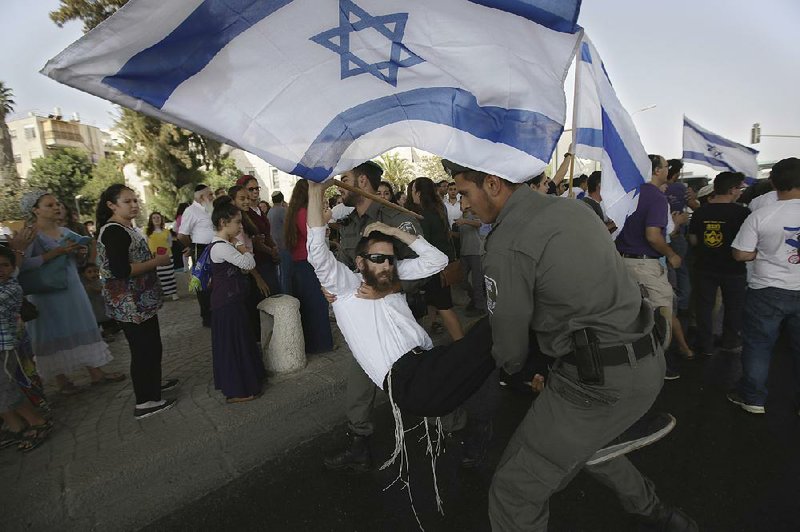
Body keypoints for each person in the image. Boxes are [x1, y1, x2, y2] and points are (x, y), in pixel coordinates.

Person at [445, 159, 695, 532]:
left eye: (465, 193)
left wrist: (516, 371)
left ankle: (655, 511)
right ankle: (656, 513)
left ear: (494, 183)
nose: (463, 204)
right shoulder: (572, 208)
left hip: (594, 383)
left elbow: (509, 343)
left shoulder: (507, 242)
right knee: (590, 447)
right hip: (645, 362)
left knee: (514, 493)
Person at [323, 161, 424, 472]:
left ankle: (457, 425)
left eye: (345, 179)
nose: (340, 186)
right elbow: (343, 261)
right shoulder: (352, 222)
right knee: (358, 381)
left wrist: (386, 288)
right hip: (362, 322)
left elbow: (423, 267)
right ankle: (360, 443)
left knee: (420, 381)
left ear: (362, 181)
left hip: (394, 320)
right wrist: (330, 287)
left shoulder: (396, 219)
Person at [19, 191, 122, 394]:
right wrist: (53, 254)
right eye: (49, 205)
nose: (56, 207)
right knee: (53, 331)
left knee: (81, 324)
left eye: (57, 204)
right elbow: (22, 265)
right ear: (35, 210)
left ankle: (96, 372)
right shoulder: (30, 235)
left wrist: (82, 255)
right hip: (46, 293)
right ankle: (62, 380)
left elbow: (83, 253)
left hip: (72, 287)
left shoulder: (65, 231)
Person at [96, 184, 178, 419]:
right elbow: (121, 269)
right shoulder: (113, 231)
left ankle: (152, 385)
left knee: (152, 346)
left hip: (140, 302)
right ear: (112, 205)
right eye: (127, 201)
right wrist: (157, 262)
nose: (134, 205)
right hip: (130, 304)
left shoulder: (125, 228)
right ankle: (145, 401)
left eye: (135, 200)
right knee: (143, 350)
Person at [728, 157, 800, 414]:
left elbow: (740, 254)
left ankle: (753, 398)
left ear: (773, 181)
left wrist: (764, 254)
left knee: (759, 346)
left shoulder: (761, 215)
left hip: (767, 290)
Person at [615, 154, 682, 380]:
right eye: (665, 166)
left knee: (632, 317)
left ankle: (632, 364)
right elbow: (653, 236)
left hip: (622, 262)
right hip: (645, 266)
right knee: (661, 316)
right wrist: (671, 254)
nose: (667, 170)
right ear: (656, 171)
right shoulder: (655, 197)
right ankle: (657, 369)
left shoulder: (629, 194)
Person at [209, 197, 266, 403]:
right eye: (237, 222)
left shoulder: (224, 244)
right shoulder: (221, 246)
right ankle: (237, 389)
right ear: (224, 223)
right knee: (234, 346)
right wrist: (243, 247)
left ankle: (247, 382)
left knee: (241, 343)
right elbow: (248, 264)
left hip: (231, 301)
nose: (241, 226)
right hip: (227, 303)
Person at [688, 172, 749, 357]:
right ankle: (730, 342)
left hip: (704, 267)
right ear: (732, 189)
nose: (740, 192)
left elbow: (693, 240)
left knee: (704, 306)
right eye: (739, 188)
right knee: (733, 307)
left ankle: (705, 344)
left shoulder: (701, 211)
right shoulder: (742, 213)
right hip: (733, 268)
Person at [0, 245, 53, 452]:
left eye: (5, 265)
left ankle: (37, 421)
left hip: (4, 348)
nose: (0, 269)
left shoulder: (12, 289)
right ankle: (15, 425)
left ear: (12, 268)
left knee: (5, 389)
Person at [410, 177, 464, 341]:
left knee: (444, 307)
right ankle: (434, 323)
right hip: (442, 263)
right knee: (436, 301)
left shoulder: (424, 215)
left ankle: (462, 342)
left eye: (413, 191)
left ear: (418, 193)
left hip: (435, 267)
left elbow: (423, 242)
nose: (411, 194)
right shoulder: (438, 209)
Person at [284, 180, 334, 354]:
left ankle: (315, 342)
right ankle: (320, 343)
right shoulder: (303, 212)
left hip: (300, 263)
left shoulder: (295, 212)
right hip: (307, 264)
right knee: (316, 304)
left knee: (310, 304)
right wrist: (326, 218)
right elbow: (312, 233)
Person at [228, 185, 271, 336]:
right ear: (232, 201)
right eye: (242, 198)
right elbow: (243, 252)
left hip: (250, 270)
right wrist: (258, 277)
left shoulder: (243, 218)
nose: (247, 201)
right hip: (245, 273)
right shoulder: (235, 223)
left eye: (247, 198)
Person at [177, 185, 215, 327]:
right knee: (203, 282)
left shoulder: (210, 209)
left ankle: (215, 312)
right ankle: (207, 316)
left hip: (214, 247)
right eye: (210, 195)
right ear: (200, 198)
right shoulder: (191, 211)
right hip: (200, 248)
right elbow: (182, 235)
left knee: (215, 281)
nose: (212, 197)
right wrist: (192, 247)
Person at [238, 175, 280, 295]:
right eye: (251, 189)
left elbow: (266, 233)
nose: (255, 191)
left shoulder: (258, 210)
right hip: (257, 262)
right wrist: (271, 251)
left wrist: (274, 248)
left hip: (268, 258)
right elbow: (253, 241)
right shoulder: (245, 213)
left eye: (257, 188)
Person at [455, 195, 486, 316]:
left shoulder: (475, 215)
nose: (461, 204)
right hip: (464, 253)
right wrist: (450, 233)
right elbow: (460, 235)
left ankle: (480, 306)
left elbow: (479, 224)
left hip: (476, 252)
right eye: (460, 203)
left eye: (462, 202)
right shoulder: (460, 218)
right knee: (463, 281)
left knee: (476, 281)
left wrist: (464, 221)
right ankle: (475, 300)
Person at [80, 263, 121, 340]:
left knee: (107, 323)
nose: (93, 274)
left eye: (95, 271)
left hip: (103, 308)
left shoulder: (101, 282)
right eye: (89, 272)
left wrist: (93, 289)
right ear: (84, 274)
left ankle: (108, 333)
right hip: (94, 309)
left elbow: (101, 290)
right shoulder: (84, 285)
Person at [146, 212, 179, 301]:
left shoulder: (166, 232)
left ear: (161, 219)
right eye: (154, 218)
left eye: (158, 217)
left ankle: (173, 293)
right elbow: (146, 244)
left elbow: (170, 244)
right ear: (151, 220)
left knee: (170, 275)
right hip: (154, 257)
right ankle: (161, 294)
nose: (156, 219)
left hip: (167, 256)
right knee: (158, 276)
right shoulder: (147, 232)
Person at [267, 190, 292, 294]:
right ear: (282, 198)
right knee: (286, 273)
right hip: (284, 245)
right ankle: (287, 294)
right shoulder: (283, 210)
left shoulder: (270, 211)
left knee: (279, 273)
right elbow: (289, 226)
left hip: (274, 245)